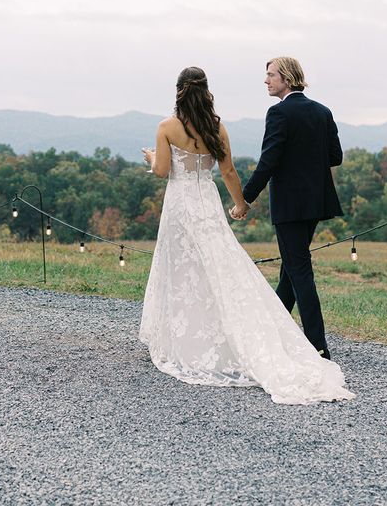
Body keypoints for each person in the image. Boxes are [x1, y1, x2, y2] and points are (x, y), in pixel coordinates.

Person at [139, 66, 353, 405]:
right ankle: (279, 331)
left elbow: (163, 171)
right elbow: (228, 170)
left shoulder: (166, 127)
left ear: (179, 91)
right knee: (223, 265)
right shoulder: (217, 127)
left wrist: (152, 158)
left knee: (181, 267)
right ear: (206, 91)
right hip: (207, 203)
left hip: (180, 205)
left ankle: (182, 336)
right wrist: (240, 203)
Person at [242, 56, 343, 360]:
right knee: (291, 269)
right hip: (315, 203)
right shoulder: (323, 112)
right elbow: (335, 156)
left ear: (286, 78)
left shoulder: (278, 113)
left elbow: (268, 161)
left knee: (299, 271)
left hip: (289, 205)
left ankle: (318, 346)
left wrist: (245, 198)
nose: (266, 80)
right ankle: (273, 333)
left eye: (271, 75)